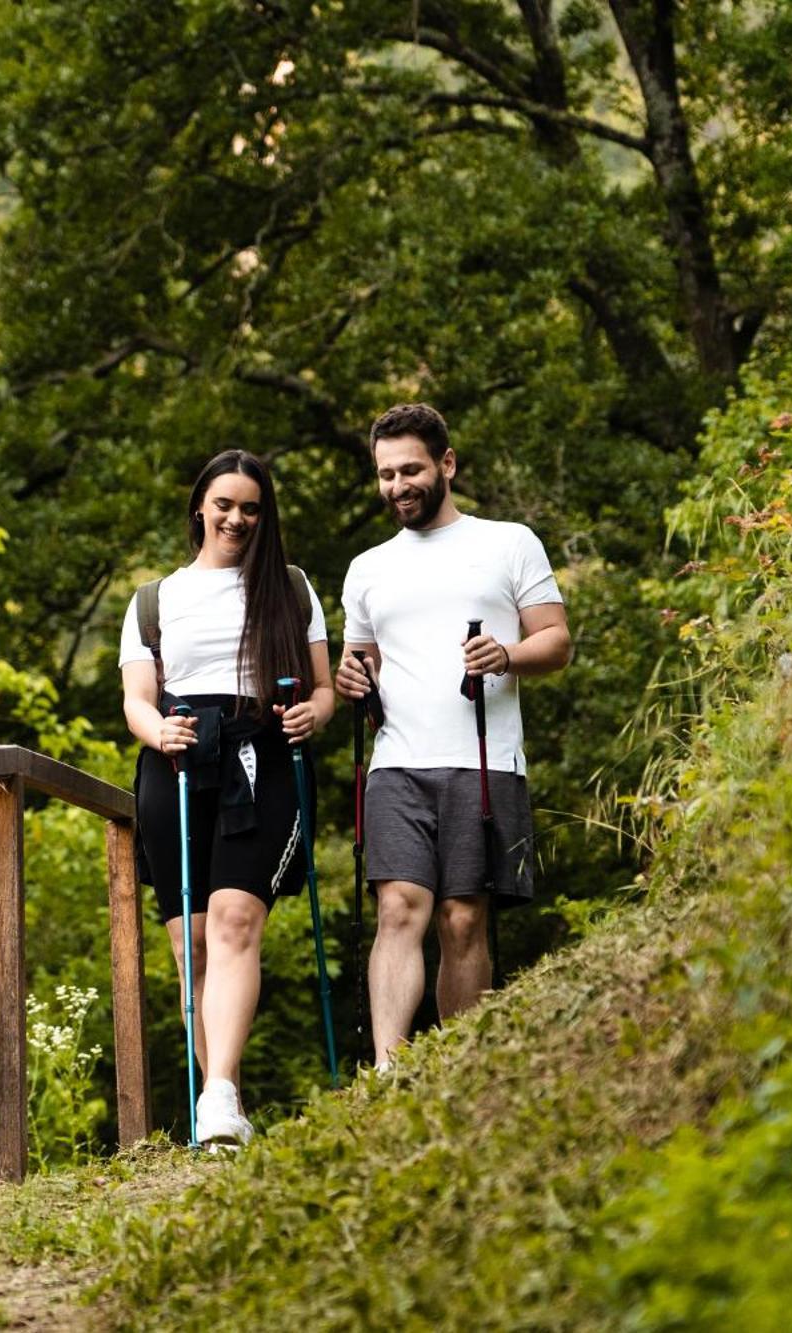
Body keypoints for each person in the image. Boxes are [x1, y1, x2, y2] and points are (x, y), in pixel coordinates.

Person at [333, 403, 572, 1066]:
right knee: (399, 909)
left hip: (485, 760)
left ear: (447, 464)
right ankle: (387, 1071)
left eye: (409, 468)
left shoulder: (509, 542)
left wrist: (506, 655)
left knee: (463, 918)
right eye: (385, 474)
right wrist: (351, 678)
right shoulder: (368, 567)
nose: (397, 485)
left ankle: (458, 1072)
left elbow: (556, 642)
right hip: (397, 763)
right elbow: (363, 662)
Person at [118, 449, 335, 1147]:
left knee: (237, 920)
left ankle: (214, 1096)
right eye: (224, 504)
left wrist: (315, 715)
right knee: (192, 942)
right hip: (178, 761)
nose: (236, 517)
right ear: (199, 509)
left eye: (250, 507)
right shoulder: (154, 598)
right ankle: (226, 1102)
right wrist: (161, 732)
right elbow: (135, 699)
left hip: (261, 755)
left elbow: (323, 688)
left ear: (263, 515)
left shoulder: (292, 589)